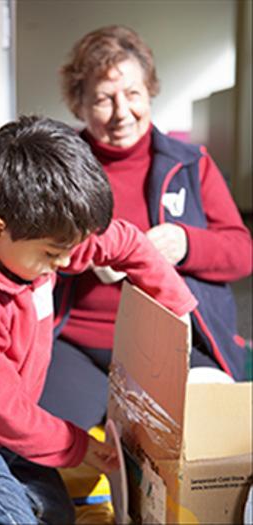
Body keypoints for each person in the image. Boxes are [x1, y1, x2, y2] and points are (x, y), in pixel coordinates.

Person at [0, 115, 197, 524]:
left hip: (1, 428)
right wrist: (77, 446)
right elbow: (0, 412)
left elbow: (127, 242)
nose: (65, 262)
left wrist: (176, 309)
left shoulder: (43, 239)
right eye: (53, 254)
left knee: (56, 514)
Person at [39, 25, 252, 431]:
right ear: (79, 105)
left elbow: (242, 254)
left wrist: (186, 244)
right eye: (103, 99)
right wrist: (75, 252)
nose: (122, 113)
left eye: (133, 94)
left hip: (173, 343)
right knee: (47, 453)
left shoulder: (191, 163)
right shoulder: (58, 167)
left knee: (218, 435)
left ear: (150, 91)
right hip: (75, 343)